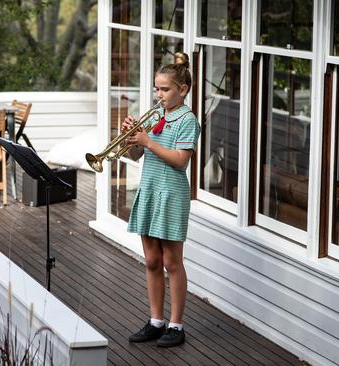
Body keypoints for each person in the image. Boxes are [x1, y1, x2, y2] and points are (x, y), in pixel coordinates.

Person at [123, 52, 200, 348]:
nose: (159, 95)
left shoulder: (187, 120)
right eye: (156, 89)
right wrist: (131, 138)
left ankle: (176, 325)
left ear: (183, 90)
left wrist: (148, 141)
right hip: (150, 190)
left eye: (165, 89)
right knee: (152, 260)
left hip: (171, 194)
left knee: (172, 262)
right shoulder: (156, 116)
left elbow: (181, 161)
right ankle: (156, 321)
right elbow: (136, 155)